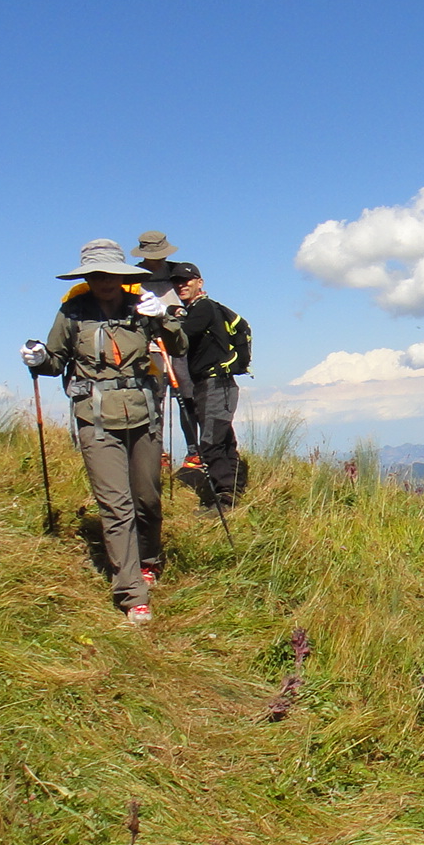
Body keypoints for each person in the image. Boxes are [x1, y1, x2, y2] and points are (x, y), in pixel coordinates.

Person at [22, 239, 184, 625]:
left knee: (147, 495)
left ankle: (149, 559)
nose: (103, 281)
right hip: (94, 419)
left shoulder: (142, 306)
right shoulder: (72, 313)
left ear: (120, 275)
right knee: (115, 505)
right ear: (87, 277)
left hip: (144, 414)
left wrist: (163, 317)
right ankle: (132, 593)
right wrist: (40, 358)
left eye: (110, 274)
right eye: (95, 275)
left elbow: (178, 345)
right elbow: (56, 359)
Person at [174, 262, 251, 506]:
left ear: (200, 282)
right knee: (223, 437)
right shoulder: (200, 309)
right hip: (217, 384)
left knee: (211, 441)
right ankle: (233, 489)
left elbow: (182, 338)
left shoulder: (203, 307)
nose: (181, 285)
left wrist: (163, 323)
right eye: (177, 281)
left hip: (215, 383)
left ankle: (224, 496)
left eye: (187, 280)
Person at [132, 230, 196, 451]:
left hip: (179, 343)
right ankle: (156, 451)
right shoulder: (133, 276)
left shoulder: (178, 272)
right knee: (154, 398)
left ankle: (194, 451)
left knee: (188, 396)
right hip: (150, 346)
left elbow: (193, 300)